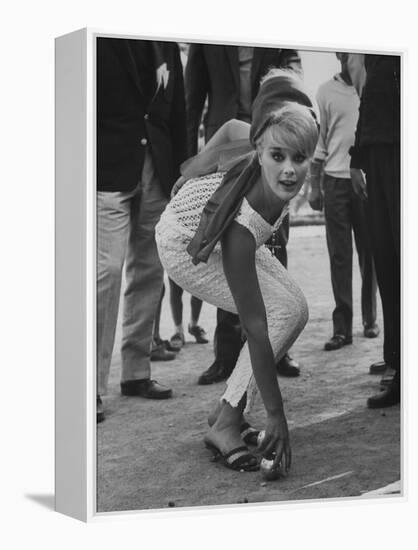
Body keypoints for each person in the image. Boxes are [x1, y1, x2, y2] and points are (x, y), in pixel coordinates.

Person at [155, 69, 319, 472]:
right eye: (277, 157)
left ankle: (226, 409)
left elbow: (229, 127)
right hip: (184, 244)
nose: (288, 170)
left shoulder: (270, 134)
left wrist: (193, 168)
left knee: (295, 309)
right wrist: (276, 414)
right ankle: (225, 423)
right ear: (260, 148)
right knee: (276, 315)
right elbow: (256, 327)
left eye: (299, 159)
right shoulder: (243, 224)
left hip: (221, 229)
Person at [185, 43, 303, 384]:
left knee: (275, 245)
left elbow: (293, 75)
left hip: (274, 141)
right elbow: (194, 98)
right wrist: (192, 161)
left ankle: (277, 347)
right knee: (227, 243)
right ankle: (226, 355)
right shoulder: (206, 32)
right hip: (226, 146)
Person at [96, 38, 187, 422]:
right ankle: (88, 386)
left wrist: (181, 175)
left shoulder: (166, 41)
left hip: (158, 170)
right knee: (107, 271)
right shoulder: (95, 36)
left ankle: (136, 372)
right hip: (106, 169)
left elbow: (178, 112)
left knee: (150, 269)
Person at [309, 52, 378, 351]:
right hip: (334, 181)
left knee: (370, 253)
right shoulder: (325, 92)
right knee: (340, 255)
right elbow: (320, 140)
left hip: (365, 180)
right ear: (338, 54)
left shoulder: (372, 86)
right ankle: (342, 329)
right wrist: (314, 186)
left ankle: (370, 320)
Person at [348, 54, 400, 408]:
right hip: (377, 153)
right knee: (387, 260)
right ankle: (399, 368)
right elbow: (370, 95)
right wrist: (356, 158)